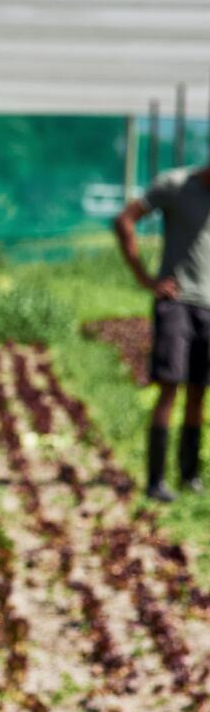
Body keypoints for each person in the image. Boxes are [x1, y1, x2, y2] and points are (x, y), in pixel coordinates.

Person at [114, 160, 210, 501]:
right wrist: (146, 278)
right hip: (178, 302)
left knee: (200, 390)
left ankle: (190, 475)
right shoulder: (175, 185)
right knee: (170, 386)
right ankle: (156, 481)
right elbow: (125, 220)